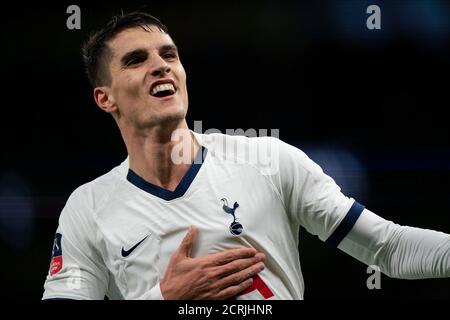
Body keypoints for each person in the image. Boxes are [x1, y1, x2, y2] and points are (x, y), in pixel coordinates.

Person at [42, 11, 450, 300]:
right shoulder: (88, 207)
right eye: (136, 60)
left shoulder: (269, 161)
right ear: (104, 98)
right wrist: (166, 297)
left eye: (169, 55)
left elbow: (389, 248)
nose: (161, 66)